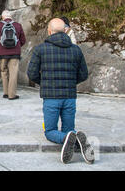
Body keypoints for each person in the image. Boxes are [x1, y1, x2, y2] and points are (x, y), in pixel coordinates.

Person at [27, 18, 94, 165]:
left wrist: (45, 83)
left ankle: (66, 139)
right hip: (69, 96)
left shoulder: (40, 49)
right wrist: (70, 82)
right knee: (69, 128)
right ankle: (76, 138)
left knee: (50, 131)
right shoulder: (76, 50)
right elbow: (83, 74)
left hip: (51, 97)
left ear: (49, 31)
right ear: (65, 31)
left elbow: (31, 74)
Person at [0, 10, 26, 100]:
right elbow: (23, 39)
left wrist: (0, 47)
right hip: (15, 53)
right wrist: (17, 46)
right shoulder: (18, 25)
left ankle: (6, 93)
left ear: (3, 17)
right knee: (13, 74)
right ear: (11, 16)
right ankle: (12, 95)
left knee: (4, 72)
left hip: (2, 53)